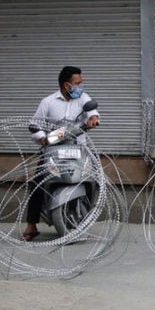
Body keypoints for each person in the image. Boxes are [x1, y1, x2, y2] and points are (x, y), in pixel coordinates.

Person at [21, 66, 100, 241]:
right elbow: (35, 125)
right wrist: (42, 138)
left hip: (79, 149)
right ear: (67, 85)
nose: (81, 86)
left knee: (97, 177)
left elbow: (93, 113)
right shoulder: (48, 102)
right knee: (37, 184)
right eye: (78, 83)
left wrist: (93, 119)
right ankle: (31, 225)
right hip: (53, 149)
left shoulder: (82, 99)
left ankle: (90, 207)